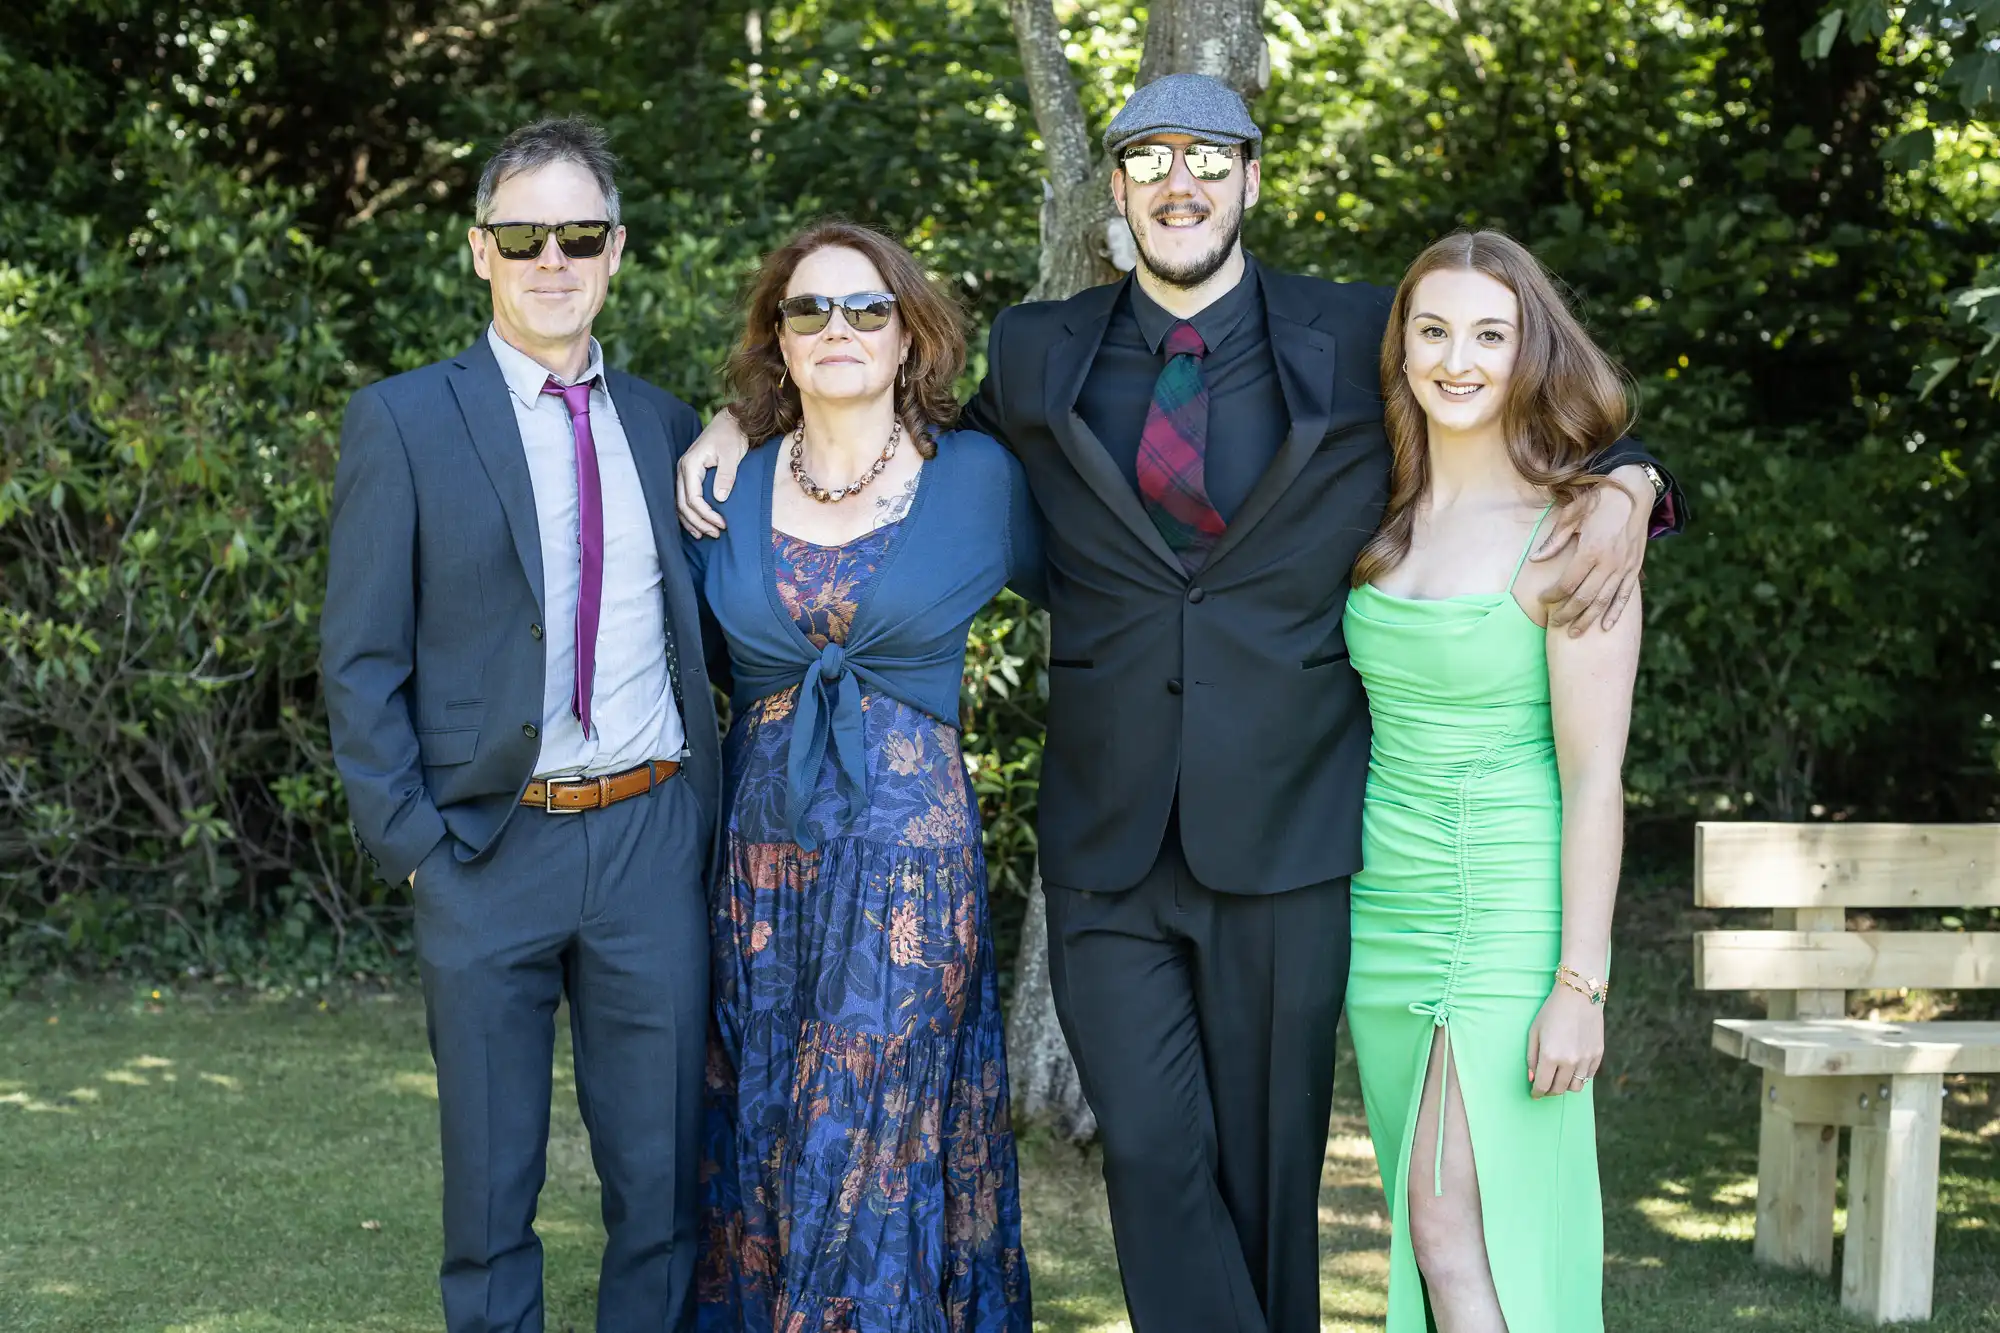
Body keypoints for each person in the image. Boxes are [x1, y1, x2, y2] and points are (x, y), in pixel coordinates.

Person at [677, 76, 1683, 1333]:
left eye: (1208, 156)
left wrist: (1634, 481)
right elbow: (891, 425)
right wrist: (737, 418)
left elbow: (1516, 399)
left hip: (1291, 841)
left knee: (1267, 1188)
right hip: (1107, 846)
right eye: (1149, 159)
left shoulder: (1360, 337)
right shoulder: (1042, 355)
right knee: (1150, 1159)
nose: (1179, 182)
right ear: (1117, 192)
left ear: (1250, 179)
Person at [321, 117, 720, 1332]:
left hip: (649, 840)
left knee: (660, 1186)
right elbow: (359, 659)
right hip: (485, 849)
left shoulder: (665, 424)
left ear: (616, 251)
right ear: (480, 252)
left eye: (579, 233)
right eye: (523, 233)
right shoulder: (402, 421)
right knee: (491, 1201)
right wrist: (417, 851)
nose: (553, 258)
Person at [686, 219, 1037, 1331]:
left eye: (865, 309)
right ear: (777, 342)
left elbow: (1119, 597)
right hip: (759, 880)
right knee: (771, 1128)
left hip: (907, 883)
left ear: (907, 337)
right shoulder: (719, 488)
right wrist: (722, 424)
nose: (836, 328)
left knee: (873, 1145)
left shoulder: (979, 479)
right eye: (807, 310)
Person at [1343, 230, 1638, 1332]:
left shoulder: (1579, 534)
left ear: (1529, 352)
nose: (1454, 359)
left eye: (1487, 333)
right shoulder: (1377, 514)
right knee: (1429, 1238)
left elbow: (1595, 778)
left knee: (1454, 1230)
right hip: (1384, 918)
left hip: (1508, 919)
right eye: (1431, 331)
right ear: (1401, 350)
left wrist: (1580, 983)